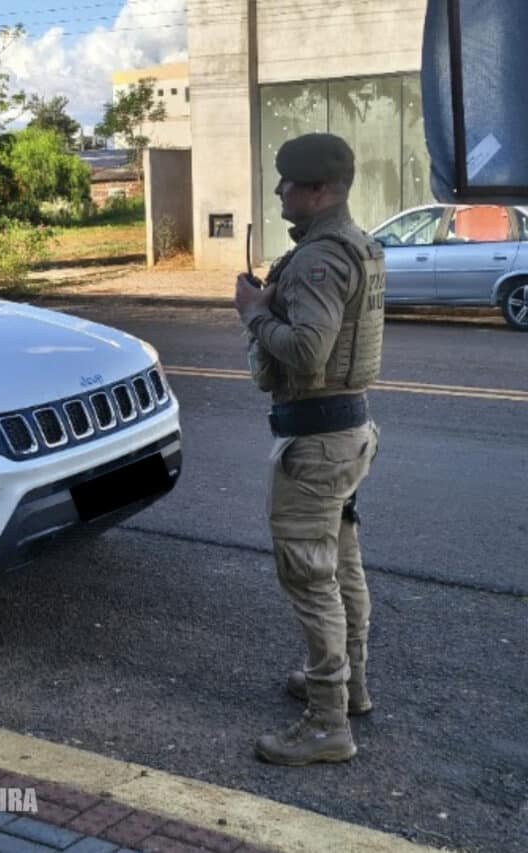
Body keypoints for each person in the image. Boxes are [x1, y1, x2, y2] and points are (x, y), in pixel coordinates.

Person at [234, 132, 385, 766]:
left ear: (319, 190)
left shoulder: (322, 258)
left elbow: (305, 351)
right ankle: (349, 687)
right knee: (342, 564)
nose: (279, 192)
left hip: (318, 441)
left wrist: (251, 313)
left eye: (288, 183)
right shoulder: (361, 245)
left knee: (310, 578)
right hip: (346, 432)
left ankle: (328, 724)